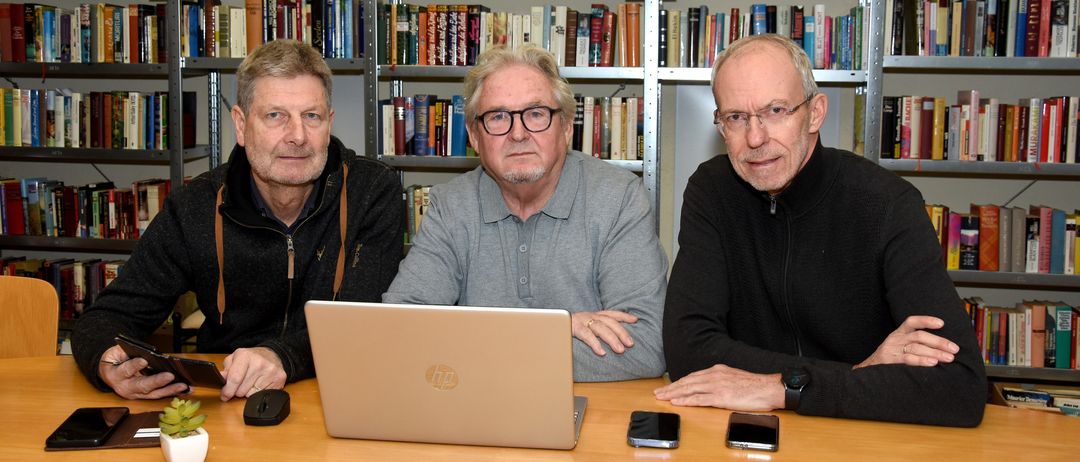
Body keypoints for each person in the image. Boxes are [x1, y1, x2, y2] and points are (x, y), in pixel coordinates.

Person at [655, 34, 986, 427]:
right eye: (736, 117)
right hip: (749, 432)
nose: (755, 138)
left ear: (815, 113)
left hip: (860, 436)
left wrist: (783, 388)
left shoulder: (886, 203)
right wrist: (860, 373)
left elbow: (961, 387)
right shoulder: (711, 191)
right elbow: (687, 350)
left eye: (776, 110)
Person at [72, 40, 405, 402]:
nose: (297, 136)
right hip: (227, 395)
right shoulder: (196, 205)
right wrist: (107, 363)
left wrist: (281, 356)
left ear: (329, 123)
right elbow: (107, 317)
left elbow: (363, 323)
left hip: (336, 391)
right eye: (275, 116)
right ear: (241, 125)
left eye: (312, 116)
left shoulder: (372, 191)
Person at [382, 44, 667, 382]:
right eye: (498, 117)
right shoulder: (451, 205)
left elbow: (646, 346)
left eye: (535, 114)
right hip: (481, 405)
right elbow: (399, 330)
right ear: (474, 136)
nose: (518, 134)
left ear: (565, 127)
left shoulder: (618, 198)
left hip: (589, 407)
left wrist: (476, 344)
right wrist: (555, 330)